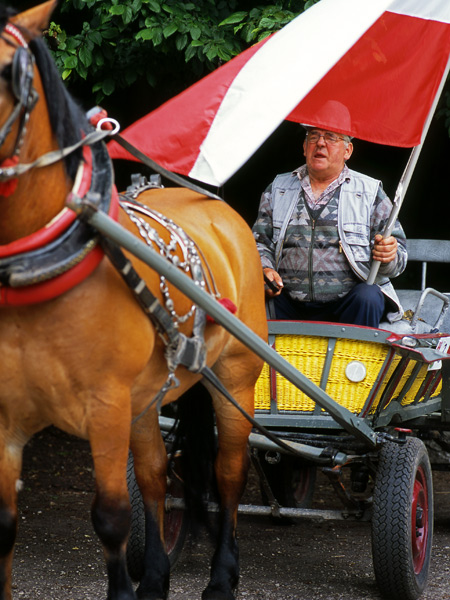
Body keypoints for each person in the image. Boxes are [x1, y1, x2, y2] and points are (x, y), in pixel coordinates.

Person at [252, 117, 408, 328]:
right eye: (313, 136)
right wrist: (265, 269)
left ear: (348, 150)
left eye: (331, 137)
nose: (321, 143)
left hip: (347, 306)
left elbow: (399, 258)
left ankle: (354, 362)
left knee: (368, 296)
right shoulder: (278, 188)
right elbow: (259, 242)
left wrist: (389, 256)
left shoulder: (370, 193)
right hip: (286, 302)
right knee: (250, 292)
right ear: (305, 147)